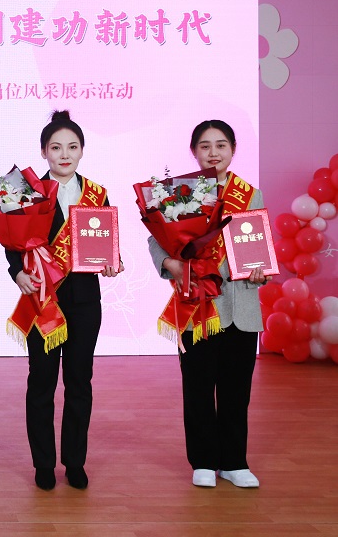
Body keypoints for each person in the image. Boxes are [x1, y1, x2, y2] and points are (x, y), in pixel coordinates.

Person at [6, 110, 123, 491]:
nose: (64, 154)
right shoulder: (27, 192)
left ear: (82, 150)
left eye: (72, 147)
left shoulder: (96, 194)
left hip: (85, 301)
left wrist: (113, 260)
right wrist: (17, 273)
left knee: (79, 383)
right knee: (41, 382)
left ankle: (74, 461)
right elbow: (12, 242)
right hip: (42, 299)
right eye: (56, 148)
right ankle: (43, 464)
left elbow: (105, 242)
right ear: (43, 152)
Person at [148, 119, 265, 489]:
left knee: (236, 390)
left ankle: (234, 462)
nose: (213, 152)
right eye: (205, 146)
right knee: (197, 386)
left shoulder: (250, 194)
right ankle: (202, 460)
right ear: (194, 151)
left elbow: (258, 243)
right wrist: (169, 264)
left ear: (233, 149)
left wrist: (260, 270)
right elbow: (156, 239)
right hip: (197, 303)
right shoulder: (179, 193)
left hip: (241, 304)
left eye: (221, 145)